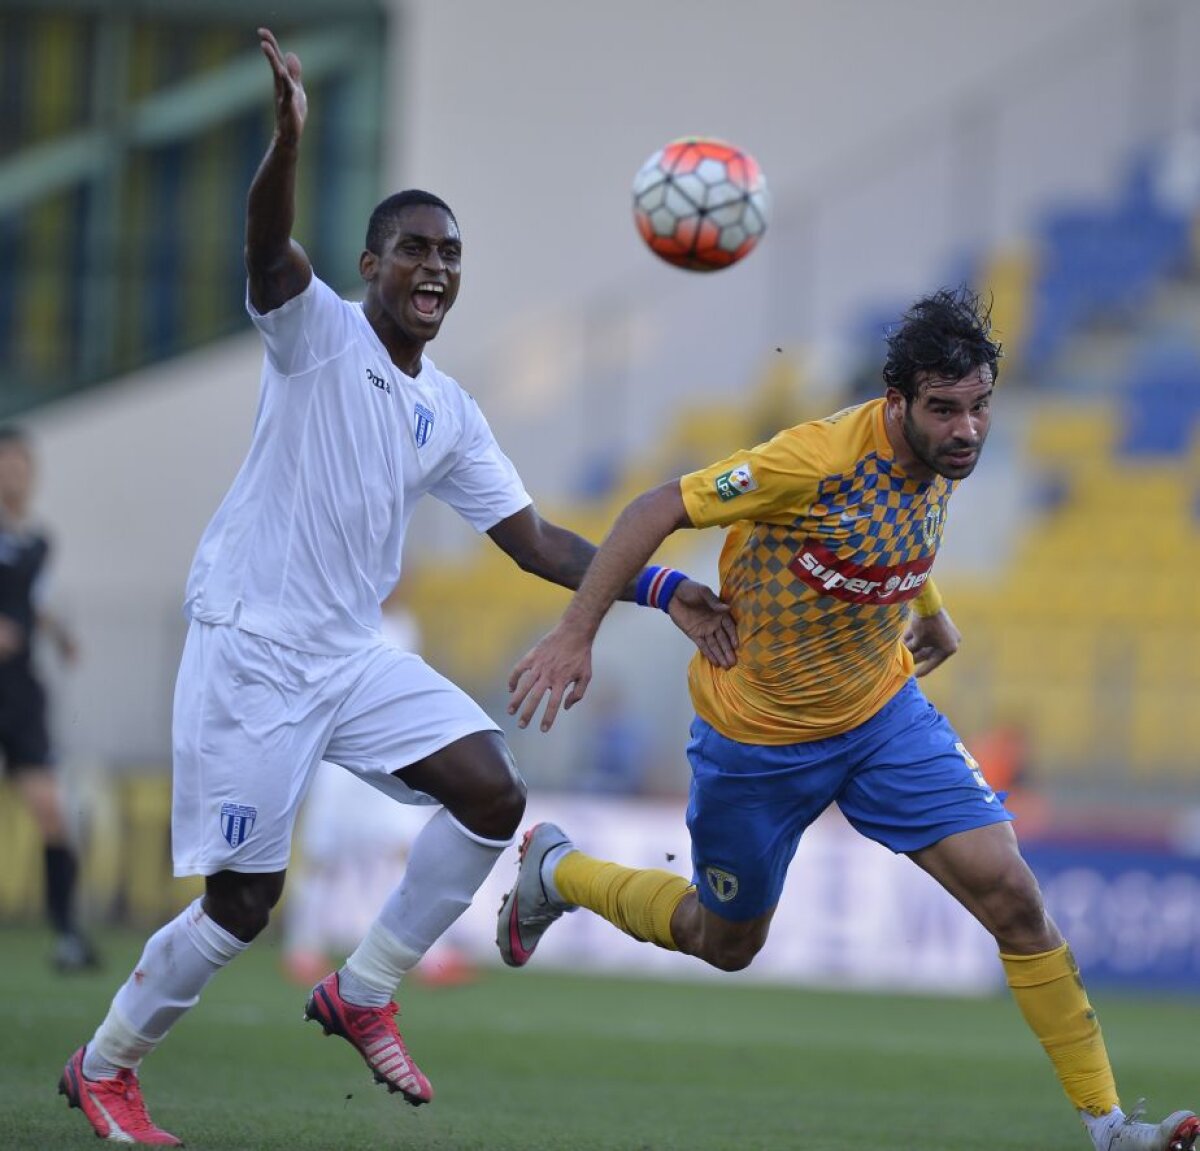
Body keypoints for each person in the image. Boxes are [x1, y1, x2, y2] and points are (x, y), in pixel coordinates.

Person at [57, 26, 736, 1147]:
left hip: (348, 652)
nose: (435, 266)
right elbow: (267, 244)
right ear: (369, 265)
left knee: (493, 793)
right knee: (242, 903)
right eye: (414, 247)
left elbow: (537, 542)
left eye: (450, 253)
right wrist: (286, 141)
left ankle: (365, 986)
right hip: (253, 646)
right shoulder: (313, 333)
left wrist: (664, 591)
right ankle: (107, 1062)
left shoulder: (447, 410)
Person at [498, 287, 1198, 1151]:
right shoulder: (814, 458)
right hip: (757, 739)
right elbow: (654, 508)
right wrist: (577, 633)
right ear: (896, 401)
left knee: (1014, 896)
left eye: (980, 407)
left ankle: (1109, 1125)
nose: (968, 430)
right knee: (724, 943)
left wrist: (929, 607)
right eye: (944, 410)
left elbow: (894, 528)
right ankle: (561, 871)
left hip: (881, 716)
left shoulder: (942, 456)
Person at [0, 425, 98, 974]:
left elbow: (32, 603)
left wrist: (60, 635)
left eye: (21, 463)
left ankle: (66, 933)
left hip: (18, 692)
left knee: (50, 811)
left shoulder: (38, 542)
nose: (14, 471)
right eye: (5, 461)